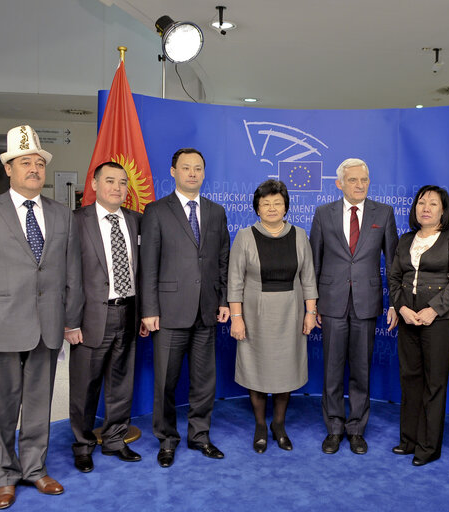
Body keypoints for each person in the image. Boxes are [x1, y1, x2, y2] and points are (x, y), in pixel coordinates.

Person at [0, 125, 83, 509]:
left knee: (39, 403)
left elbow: (72, 274)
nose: (33, 169)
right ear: (8, 169)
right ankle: (5, 476)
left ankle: (34, 469)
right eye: (24, 162)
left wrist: (70, 319)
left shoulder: (63, 215)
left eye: (38, 163)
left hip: (47, 326)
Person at [140, 147, 230, 468]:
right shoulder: (156, 211)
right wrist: (149, 309)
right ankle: (166, 439)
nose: (192, 173)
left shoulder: (216, 212)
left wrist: (222, 300)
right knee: (166, 381)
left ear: (204, 173)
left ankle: (200, 435)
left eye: (198, 168)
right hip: (168, 310)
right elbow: (148, 264)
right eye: (186, 167)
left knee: (204, 380)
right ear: (174, 172)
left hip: (206, 310)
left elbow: (222, 260)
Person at [309, 157, 398, 455]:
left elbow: (396, 263)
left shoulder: (383, 213)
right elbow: (314, 263)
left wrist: (395, 303)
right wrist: (313, 306)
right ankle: (334, 428)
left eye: (364, 180)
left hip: (367, 304)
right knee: (332, 370)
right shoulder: (323, 214)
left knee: (361, 370)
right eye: (353, 180)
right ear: (339, 184)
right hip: (332, 304)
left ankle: (356, 429)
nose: (359, 185)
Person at [68, 161, 149, 473]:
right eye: (110, 181)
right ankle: (83, 445)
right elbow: (68, 275)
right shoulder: (76, 221)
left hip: (127, 312)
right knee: (84, 387)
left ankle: (115, 439)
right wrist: (70, 321)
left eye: (123, 182)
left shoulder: (137, 221)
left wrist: (143, 313)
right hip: (89, 317)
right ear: (94, 184)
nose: (117, 188)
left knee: (121, 382)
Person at [228, 179, 318, 453]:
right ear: (257, 207)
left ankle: (278, 424)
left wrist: (311, 312)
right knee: (256, 370)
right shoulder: (244, 236)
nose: (271, 208)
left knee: (285, 370)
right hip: (254, 315)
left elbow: (309, 278)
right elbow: (235, 281)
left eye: (277, 203)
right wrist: (237, 317)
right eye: (265, 203)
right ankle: (259, 425)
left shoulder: (300, 235)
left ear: (286, 207)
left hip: (290, 314)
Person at [388, 185, 449, 466]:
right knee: (410, 381)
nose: (426, 208)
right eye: (421, 203)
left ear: (443, 210)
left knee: (433, 384)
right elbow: (394, 278)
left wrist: (433, 309)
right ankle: (408, 440)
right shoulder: (405, 239)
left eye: (433, 204)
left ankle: (428, 446)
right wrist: (401, 308)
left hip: (438, 323)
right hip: (408, 321)